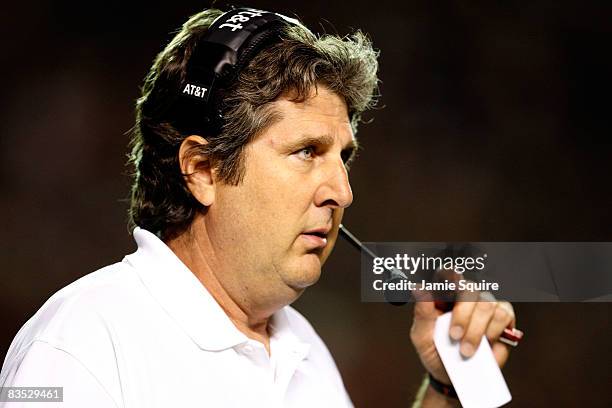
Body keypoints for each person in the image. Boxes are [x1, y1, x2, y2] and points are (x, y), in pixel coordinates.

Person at [0, 7, 516, 407]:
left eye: (343, 157)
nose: (343, 189)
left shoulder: (303, 348)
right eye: (306, 152)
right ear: (202, 169)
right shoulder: (80, 345)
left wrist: (447, 387)